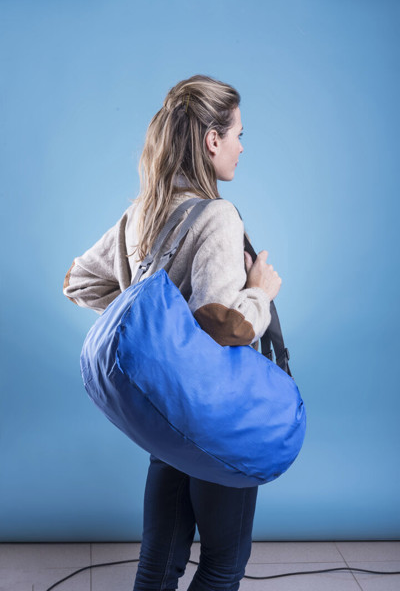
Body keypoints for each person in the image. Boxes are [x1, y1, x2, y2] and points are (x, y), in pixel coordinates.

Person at [63, 74, 282, 591]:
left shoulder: (141, 213)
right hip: (216, 421)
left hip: (165, 420)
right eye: (238, 135)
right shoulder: (218, 217)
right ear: (212, 141)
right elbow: (223, 328)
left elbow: (77, 281)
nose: (241, 147)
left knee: (157, 566)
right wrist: (261, 291)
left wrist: (154, 327)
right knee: (223, 564)